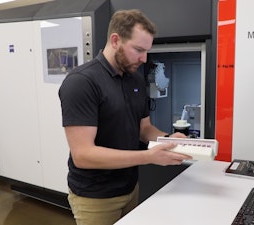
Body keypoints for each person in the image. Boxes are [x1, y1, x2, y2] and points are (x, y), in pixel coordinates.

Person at [58, 9, 192, 225]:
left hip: (130, 187)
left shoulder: (136, 81)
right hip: (96, 197)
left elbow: (144, 129)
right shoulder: (82, 82)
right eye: (138, 49)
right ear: (115, 40)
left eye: (147, 50)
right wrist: (149, 157)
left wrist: (169, 140)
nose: (144, 58)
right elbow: (83, 155)